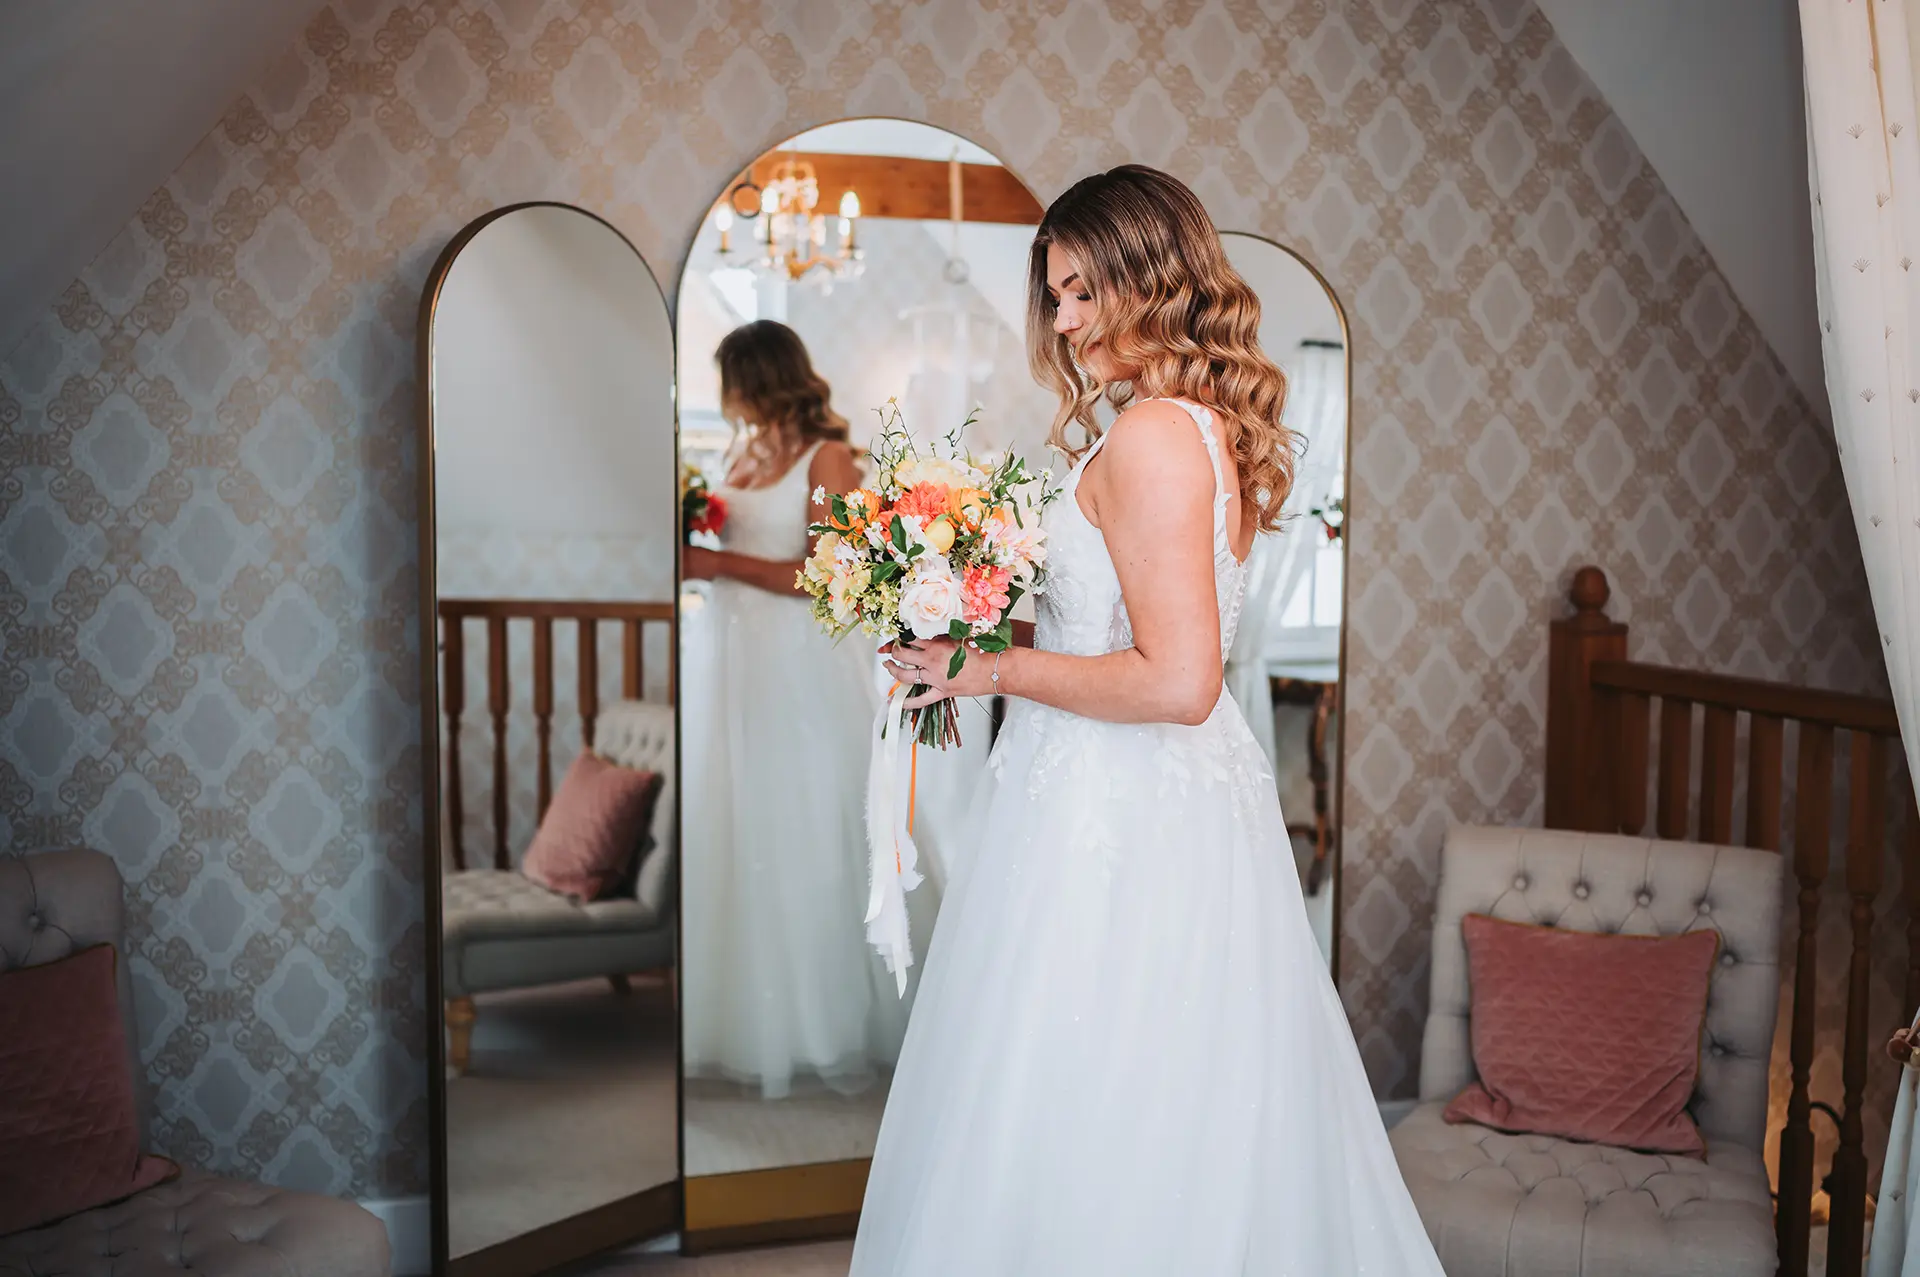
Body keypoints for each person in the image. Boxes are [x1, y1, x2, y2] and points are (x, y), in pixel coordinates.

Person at [849, 167, 1446, 1274]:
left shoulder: (1155, 435)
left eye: (1082, 292)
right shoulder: (1190, 424)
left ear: (1148, 278)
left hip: (1119, 804)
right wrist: (961, 588)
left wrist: (992, 666)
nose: (1065, 322)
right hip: (1105, 789)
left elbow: (1179, 681)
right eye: (1056, 294)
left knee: (1104, 1090)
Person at [679, 319, 914, 1100]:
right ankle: (739, 1017)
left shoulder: (831, 458)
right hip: (734, 660)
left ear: (759, 377)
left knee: (809, 822)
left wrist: (714, 561)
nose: (729, 397)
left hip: (802, 664)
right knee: (737, 823)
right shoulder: (739, 452)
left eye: (733, 381)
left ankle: (830, 1024)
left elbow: (822, 574)